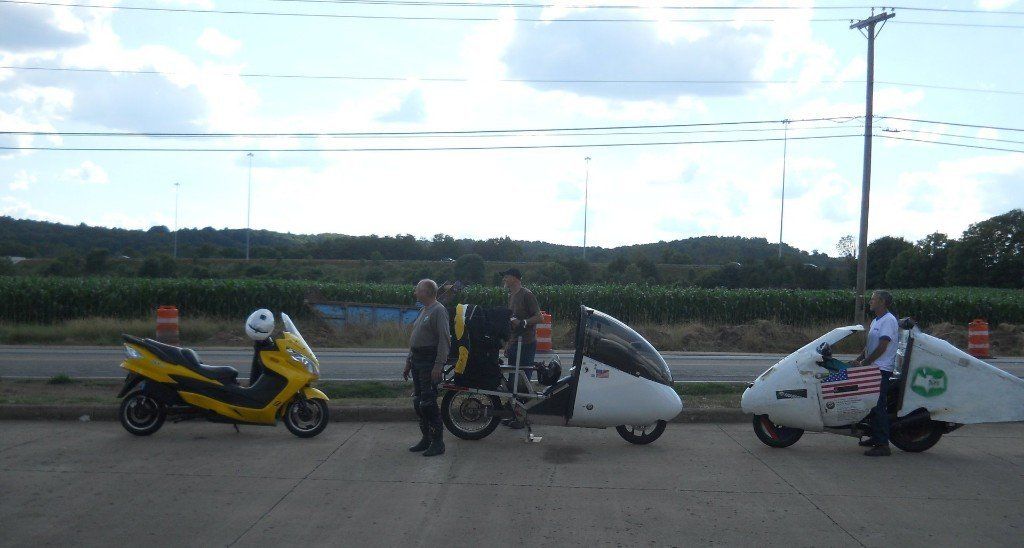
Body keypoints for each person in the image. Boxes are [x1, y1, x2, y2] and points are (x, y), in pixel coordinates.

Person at [402, 279, 451, 457]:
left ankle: (438, 442)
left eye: (418, 290)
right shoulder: (423, 310)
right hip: (417, 360)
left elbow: (444, 340)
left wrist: (438, 365)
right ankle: (426, 438)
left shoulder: (439, 310)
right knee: (418, 402)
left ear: (426, 292)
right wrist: (408, 362)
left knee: (428, 403)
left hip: (429, 361)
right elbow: (415, 340)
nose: (415, 293)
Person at [853, 290, 899, 457]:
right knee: (870, 403)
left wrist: (866, 362)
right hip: (873, 367)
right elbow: (870, 345)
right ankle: (875, 436)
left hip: (881, 368)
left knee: (878, 405)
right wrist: (860, 358)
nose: (870, 302)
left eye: (873, 299)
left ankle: (882, 444)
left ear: (882, 302)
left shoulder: (889, 320)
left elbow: (882, 346)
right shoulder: (876, 320)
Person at [499, 268, 543, 429]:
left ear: (516, 278)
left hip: (526, 344)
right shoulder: (511, 295)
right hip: (515, 343)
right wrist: (508, 343)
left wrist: (524, 322)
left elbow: (539, 317)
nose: (504, 279)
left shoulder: (527, 295)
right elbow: (511, 320)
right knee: (513, 381)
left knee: (522, 381)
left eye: (507, 276)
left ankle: (522, 418)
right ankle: (514, 414)